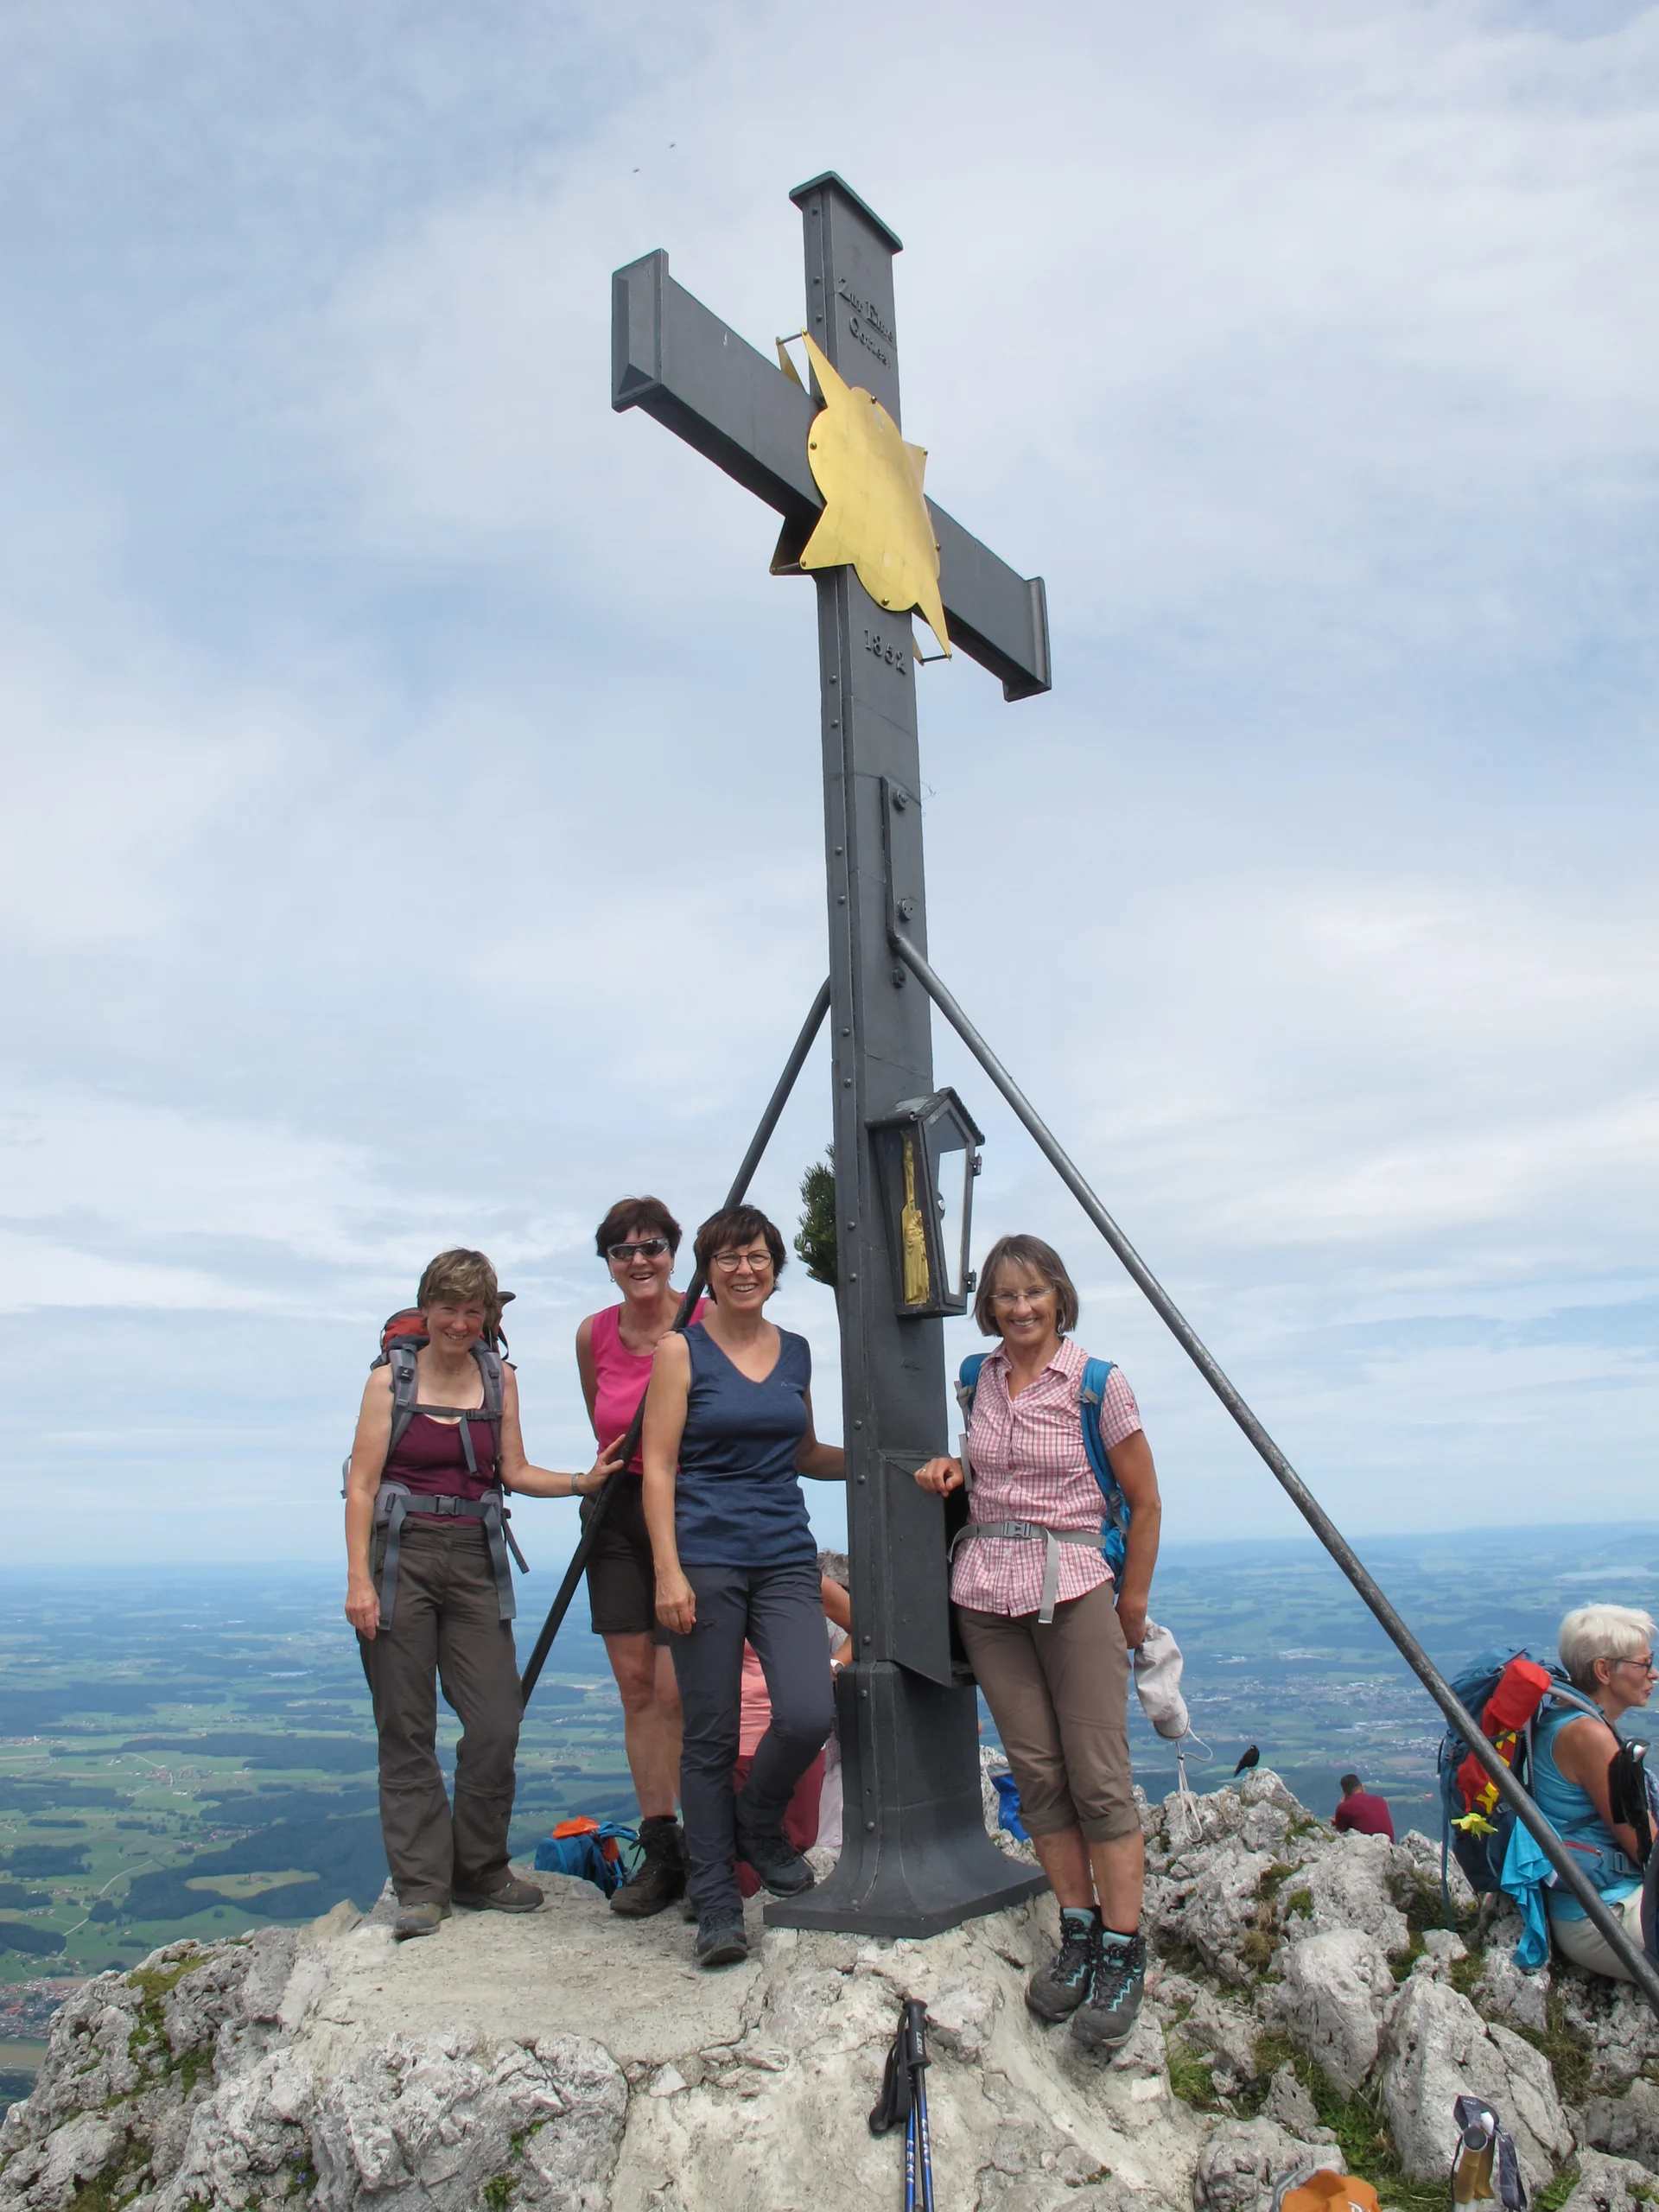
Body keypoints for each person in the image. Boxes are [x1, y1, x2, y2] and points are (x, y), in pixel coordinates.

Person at [912, 1232, 1163, 2051]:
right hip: (985, 1593)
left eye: (1034, 1293)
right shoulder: (975, 1380)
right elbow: (988, 1466)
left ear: (1059, 1296)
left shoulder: (1098, 1387)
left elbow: (1145, 1500)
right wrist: (955, 1471)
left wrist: (1131, 1606)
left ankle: (1124, 1950)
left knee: (1098, 1773)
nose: (1020, 1308)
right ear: (989, 1305)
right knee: (1038, 1772)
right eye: (1005, 1296)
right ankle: (1079, 1931)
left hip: (1075, 1587)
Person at [345, 1248, 620, 1942]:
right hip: (399, 1556)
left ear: (488, 1316)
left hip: (474, 1554)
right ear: (426, 1308)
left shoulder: (499, 1380)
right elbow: (362, 1485)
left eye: (474, 1310)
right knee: (405, 1728)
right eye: (449, 1307)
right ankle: (422, 1888)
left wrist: (580, 1483)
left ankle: (481, 1870)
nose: (460, 1322)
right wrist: (358, 1582)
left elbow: (515, 1470)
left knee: (497, 1721)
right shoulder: (389, 1382)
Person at [641, 1203, 845, 1969]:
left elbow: (804, 1452)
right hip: (706, 1559)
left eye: (756, 1256)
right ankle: (719, 1905)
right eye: (727, 1258)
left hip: (785, 1553)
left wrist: (880, 1456)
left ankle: (758, 1820)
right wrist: (668, 1571)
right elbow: (658, 1466)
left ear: (775, 1266)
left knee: (807, 1710)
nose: (743, 1269)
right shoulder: (679, 1352)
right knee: (711, 1734)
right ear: (708, 1269)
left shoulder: (795, 1351)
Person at [575, 1198, 706, 1918]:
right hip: (618, 1514)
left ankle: (708, 1848)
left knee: (679, 1687)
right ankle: (663, 1852)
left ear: (673, 1251)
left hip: (689, 1508)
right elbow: (601, 1416)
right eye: (623, 1251)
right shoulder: (594, 1334)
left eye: (652, 1246)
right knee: (635, 1688)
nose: (639, 1260)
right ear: (609, 1262)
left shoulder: (705, 1319)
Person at [1529, 1604, 1656, 1981]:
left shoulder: (1565, 1717)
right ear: (1604, 1670)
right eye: (1644, 1663)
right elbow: (1644, 1845)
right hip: (1602, 1916)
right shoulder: (1588, 1736)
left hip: (1603, 1904)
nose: (1654, 1674)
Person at [1333, 1775, 1395, 1840]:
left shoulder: (1343, 1807)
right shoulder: (1381, 1801)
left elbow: (1340, 1831)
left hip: (1365, 1846)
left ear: (1344, 1793)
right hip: (1388, 1845)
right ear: (1362, 1787)